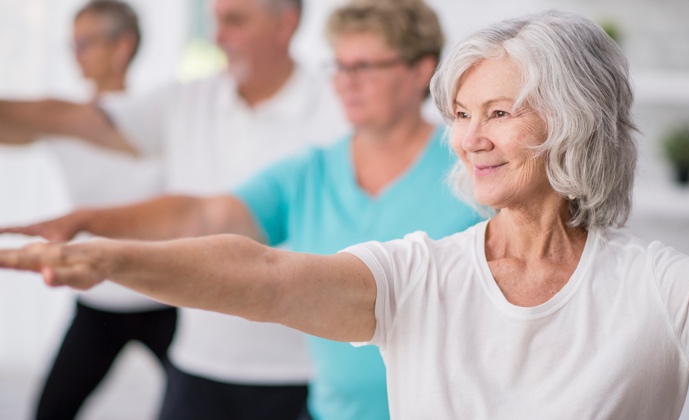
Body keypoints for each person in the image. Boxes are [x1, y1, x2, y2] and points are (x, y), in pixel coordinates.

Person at [2, 8, 689, 420]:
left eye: (499, 111)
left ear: (574, 120)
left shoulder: (655, 286)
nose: (473, 138)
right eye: (463, 115)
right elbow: (262, 273)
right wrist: (108, 252)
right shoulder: (421, 269)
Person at [0, 1, 479, 417]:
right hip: (318, 404)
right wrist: (92, 228)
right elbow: (206, 217)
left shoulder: (472, 170)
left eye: (366, 68)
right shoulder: (310, 171)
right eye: (340, 67)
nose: (347, 83)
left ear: (421, 71)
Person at [0, 2, 175, 420]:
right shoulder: (63, 122)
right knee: (51, 411)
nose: (74, 53)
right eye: (72, 43)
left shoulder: (161, 116)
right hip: (100, 299)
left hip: (166, 295)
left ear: (122, 46)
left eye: (86, 42)